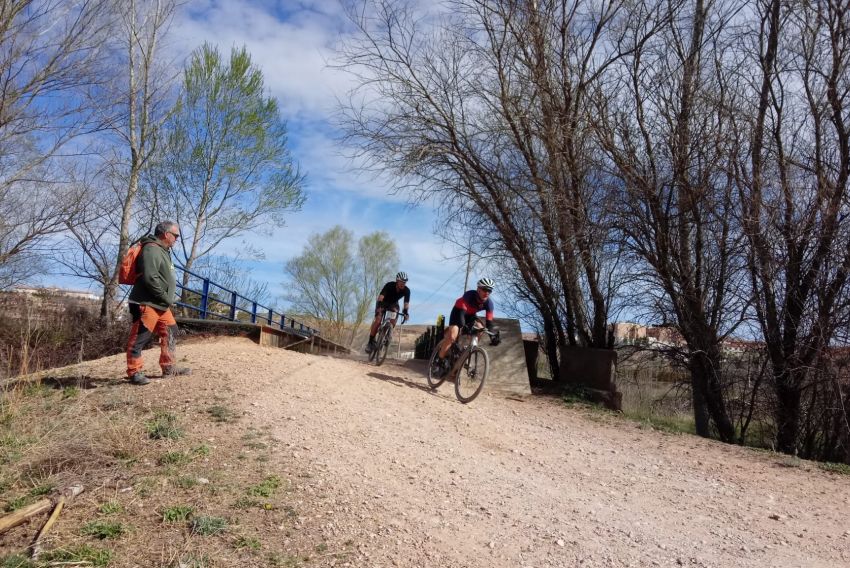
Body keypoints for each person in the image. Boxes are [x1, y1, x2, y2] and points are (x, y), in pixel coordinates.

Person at [126, 221, 191, 385]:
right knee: (140, 337)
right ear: (165, 234)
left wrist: (165, 299)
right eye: (175, 235)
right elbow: (150, 277)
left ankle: (168, 367)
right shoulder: (151, 249)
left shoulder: (162, 250)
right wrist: (166, 297)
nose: (177, 239)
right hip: (146, 302)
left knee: (171, 332)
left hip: (160, 303)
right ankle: (134, 372)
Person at [432, 277, 497, 370]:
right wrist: (463, 326)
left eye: (489, 290)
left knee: (481, 328)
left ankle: (468, 349)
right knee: (452, 336)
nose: (487, 292)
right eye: (485, 289)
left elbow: (489, 322)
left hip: (470, 315)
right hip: (458, 312)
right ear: (478, 289)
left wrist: (493, 336)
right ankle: (439, 360)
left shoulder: (489, 303)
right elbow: (462, 313)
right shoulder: (469, 295)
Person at [365, 271, 411, 353]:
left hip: (393, 304)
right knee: (378, 321)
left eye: (404, 282)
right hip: (383, 302)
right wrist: (379, 308)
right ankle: (370, 342)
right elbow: (380, 297)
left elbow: (406, 303)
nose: (403, 284)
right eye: (401, 282)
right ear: (397, 280)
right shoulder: (389, 285)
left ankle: (388, 332)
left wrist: (406, 313)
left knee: (395, 314)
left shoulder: (407, 290)